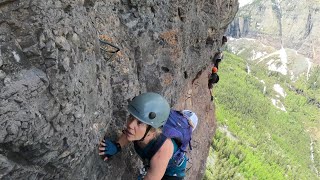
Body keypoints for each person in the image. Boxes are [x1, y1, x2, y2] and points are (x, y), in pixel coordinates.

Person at [98, 92, 190, 180]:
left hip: (172, 173)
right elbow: (128, 134)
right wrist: (117, 146)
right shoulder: (138, 132)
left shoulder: (162, 150)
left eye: (140, 123)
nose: (130, 125)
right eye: (131, 117)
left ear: (153, 129)